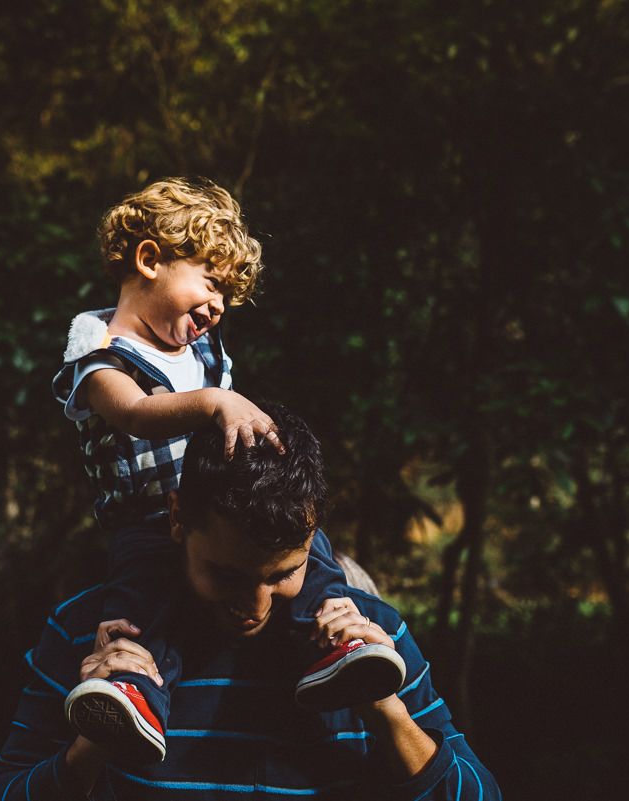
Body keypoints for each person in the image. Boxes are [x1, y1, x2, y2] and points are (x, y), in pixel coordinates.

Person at [50, 178, 404, 764]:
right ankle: (132, 695)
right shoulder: (99, 355)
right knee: (140, 610)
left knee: (307, 554)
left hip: (217, 514)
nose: (217, 306)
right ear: (149, 260)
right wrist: (216, 403)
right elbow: (136, 413)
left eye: (226, 298)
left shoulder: (204, 356)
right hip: (145, 520)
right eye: (211, 283)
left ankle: (335, 643)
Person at [0, 407, 500, 800]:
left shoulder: (369, 638)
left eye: (284, 574)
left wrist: (387, 711)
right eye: (227, 574)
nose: (254, 605)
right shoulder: (91, 632)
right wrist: (94, 741)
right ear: (178, 518)